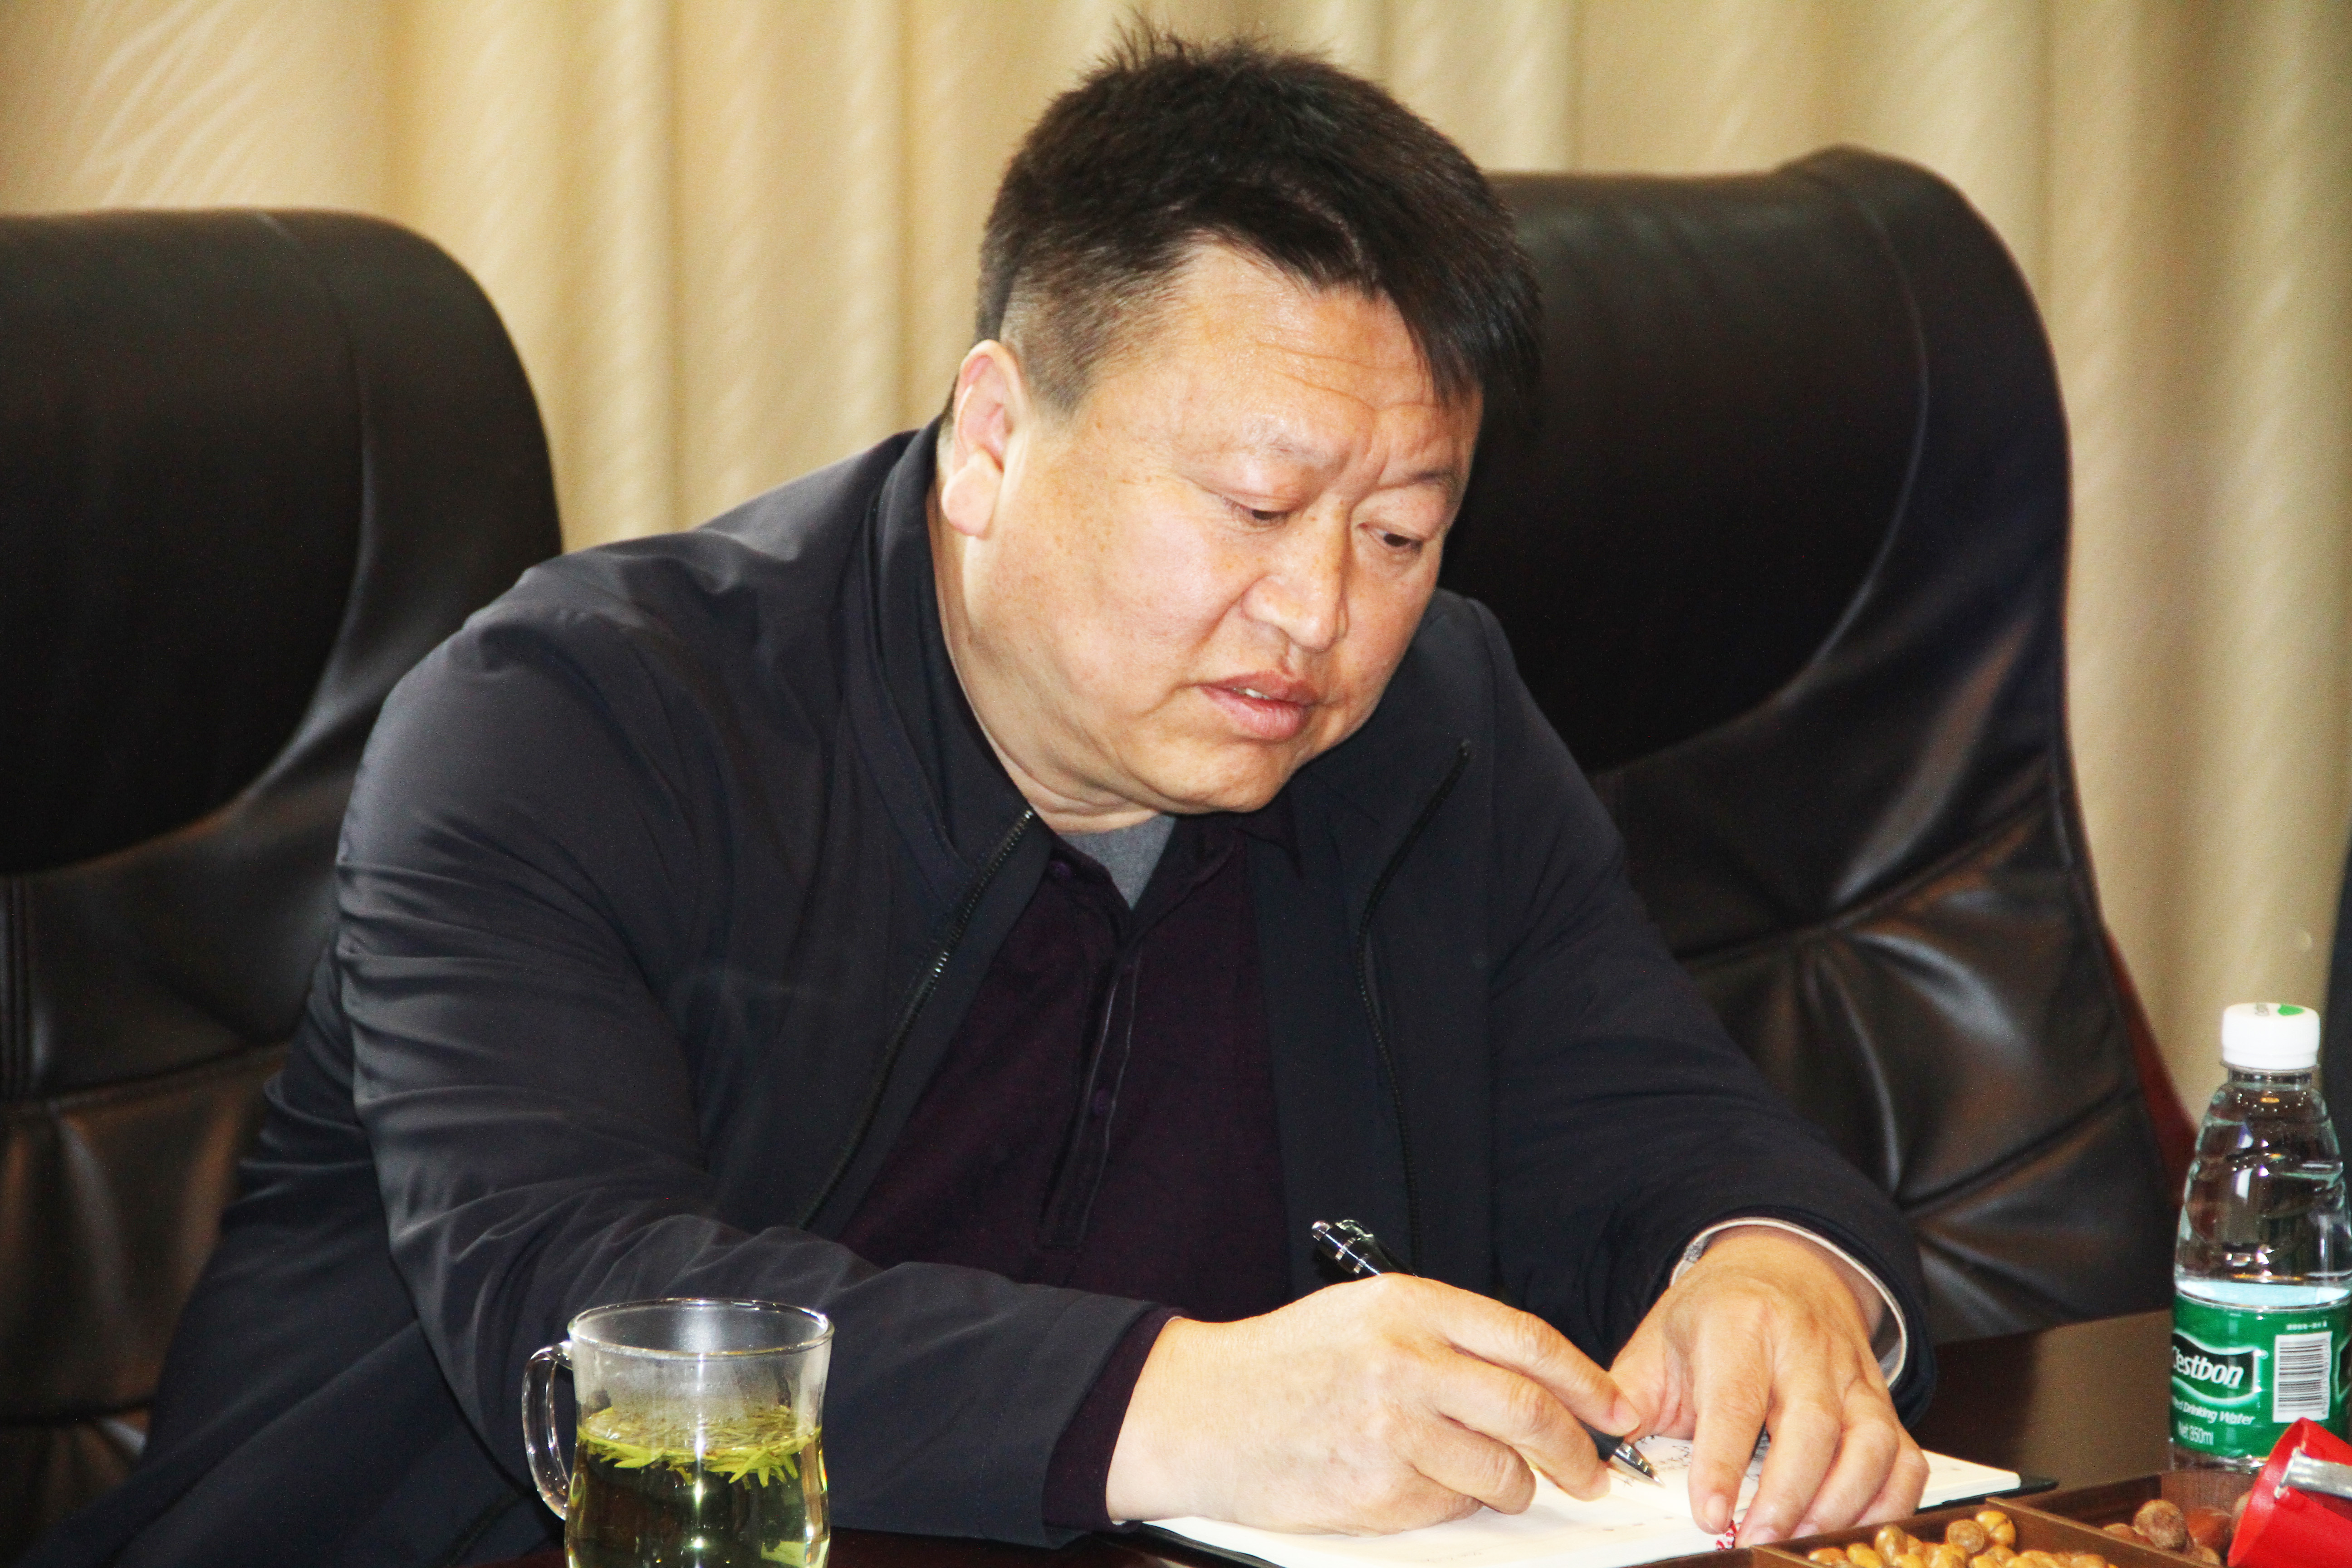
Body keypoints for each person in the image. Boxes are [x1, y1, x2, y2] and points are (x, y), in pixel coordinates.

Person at [29, 32, 1936, 1568]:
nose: (1322, 615)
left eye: (1400, 531)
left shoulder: (1432, 719)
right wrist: (1179, 1404)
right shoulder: (576, 727)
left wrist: (1767, 1265)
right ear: (997, 439)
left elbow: (1647, 1105)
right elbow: (583, 1307)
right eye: (1257, 506)